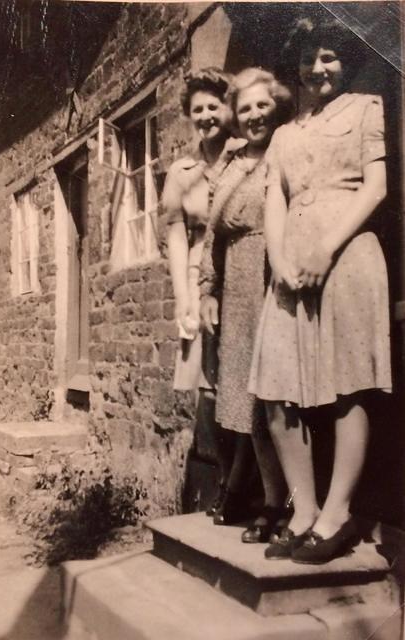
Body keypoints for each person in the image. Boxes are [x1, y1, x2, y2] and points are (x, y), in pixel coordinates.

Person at [248, 16, 392, 563]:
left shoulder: (366, 108)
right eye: (309, 58)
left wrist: (326, 248)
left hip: (348, 252)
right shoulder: (285, 134)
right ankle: (303, 508)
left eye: (329, 56)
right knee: (277, 391)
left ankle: (337, 515)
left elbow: (376, 186)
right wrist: (283, 260)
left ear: (346, 60)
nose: (318, 67)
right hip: (292, 265)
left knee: (346, 385)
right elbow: (276, 203)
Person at [200, 68, 292, 536]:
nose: (254, 115)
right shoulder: (233, 162)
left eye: (262, 105)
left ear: (277, 106)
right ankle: (273, 497)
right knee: (245, 403)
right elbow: (212, 236)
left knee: (274, 397)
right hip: (236, 285)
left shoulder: (289, 148)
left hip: (272, 278)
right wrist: (208, 290)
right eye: (245, 107)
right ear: (234, 115)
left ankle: (282, 502)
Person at [163, 68, 241, 513]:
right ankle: (218, 487)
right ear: (189, 117)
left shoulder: (246, 155)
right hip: (197, 271)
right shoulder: (182, 171)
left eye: (214, 106)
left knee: (247, 378)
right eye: (198, 110)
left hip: (243, 268)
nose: (207, 115)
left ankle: (253, 489)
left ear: (227, 109)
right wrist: (183, 296)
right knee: (208, 382)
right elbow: (175, 235)